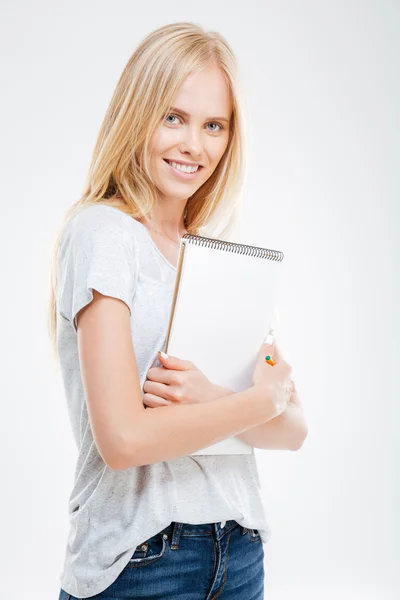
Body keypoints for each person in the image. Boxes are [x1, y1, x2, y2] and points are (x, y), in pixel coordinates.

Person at [48, 21, 307, 600]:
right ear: (137, 114)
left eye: (214, 125)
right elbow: (123, 441)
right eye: (174, 117)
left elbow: (293, 427)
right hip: (144, 561)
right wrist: (255, 404)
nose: (195, 145)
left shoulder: (218, 260)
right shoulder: (104, 233)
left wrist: (219, 398)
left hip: (239, 552)